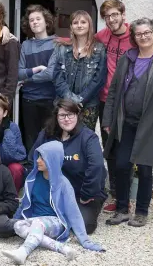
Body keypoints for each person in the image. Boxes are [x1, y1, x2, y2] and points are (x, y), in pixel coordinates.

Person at [103, 18, 153, 227]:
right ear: (134, 37)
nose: (143, 36)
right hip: (126, 121)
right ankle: (121, 210)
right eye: (139, 34)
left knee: (145, 168)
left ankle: (142, 212)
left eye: (147, 32)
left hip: (151, 124)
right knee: (121, 165)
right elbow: (113, 92)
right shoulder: (127, 59)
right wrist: (108, 118)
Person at [2, 141, 105, 265]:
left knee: (37, 224)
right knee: (17, 226)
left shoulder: (63, 184)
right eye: (38, 156)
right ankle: (61, 248)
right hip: (35, 219)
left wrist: (85, 240)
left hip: (55, 222)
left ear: (53, 160)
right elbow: (24, 204)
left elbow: (74, 213)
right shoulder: (32, 179)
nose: (38, 161)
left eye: (43, 158)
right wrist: (15, 219)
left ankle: (23, 252)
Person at [27, 99, 107, 234]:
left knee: (83, 226)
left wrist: (86, 194)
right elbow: (32, 160)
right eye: (62, 115)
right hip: (54, 192)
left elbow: (96, 167)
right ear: (56, 117)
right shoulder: (47, 134)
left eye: (71, 114)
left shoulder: (88, 137)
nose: (67, 119)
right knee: (33, 218)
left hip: (81, 194)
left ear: (78, 115)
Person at [95, 0, 134, 213]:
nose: (111, 20)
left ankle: (125, 198)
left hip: (127, 103)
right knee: (109, 149)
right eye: (107, 17)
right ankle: (118, 196)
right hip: (104, 101)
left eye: (114, 15)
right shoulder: (104, 35)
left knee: (124, 150)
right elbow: (83, 39)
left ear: (122, 14)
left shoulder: (135, 36)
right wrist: (59, 40)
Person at [52, 10, 107, 131]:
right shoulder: (62, 47)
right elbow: (57, 76)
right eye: (75, 22)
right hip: (64, 104)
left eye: (83, 22)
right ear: (71, 26)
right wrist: (70, 99)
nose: (79, 25)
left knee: (84, 142)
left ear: (89, 25)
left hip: (88, 106)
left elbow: (99, 79)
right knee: (63, 140)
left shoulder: (99, 48)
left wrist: (80, 100)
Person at [18, 4, 58, 152]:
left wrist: (28, 78)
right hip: (28, 100)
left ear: (46, 21)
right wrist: (37, 69)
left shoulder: (56, 43)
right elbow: (18, 73)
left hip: (50, 100)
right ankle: (32, 173)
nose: (34, 22)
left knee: (50, 139)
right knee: (31, 141)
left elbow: (51, 74)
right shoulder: (26, 45)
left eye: (38, 19)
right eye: (31, 20)